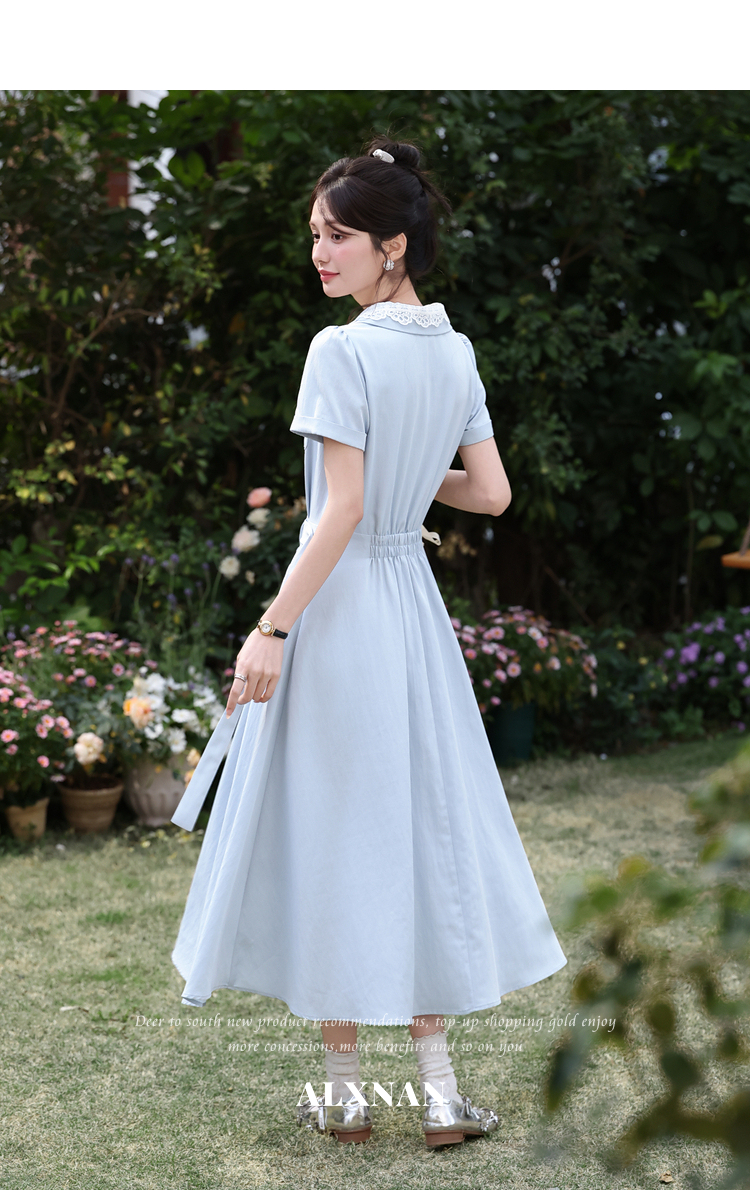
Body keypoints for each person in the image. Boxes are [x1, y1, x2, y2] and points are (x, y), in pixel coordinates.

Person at [170, 135, 567, 1149]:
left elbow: (338, 511)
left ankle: (347, 1091)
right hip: (411, 613)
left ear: (392, 244)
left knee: (336, 832)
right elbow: (491, 492)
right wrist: (409, 472)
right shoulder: (455, 351)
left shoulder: (339, 351)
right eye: (315, 233)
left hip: (342, 609)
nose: (320, 252)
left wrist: (271, 627)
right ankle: (437, 1092)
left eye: (338, 235)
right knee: (415, 826)